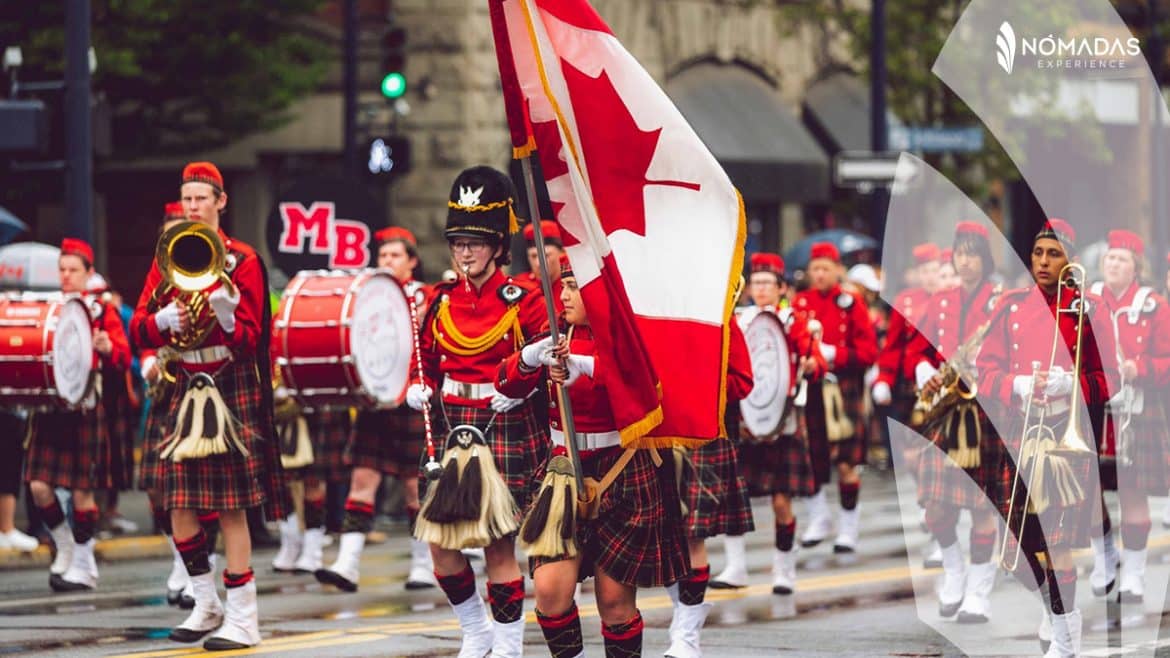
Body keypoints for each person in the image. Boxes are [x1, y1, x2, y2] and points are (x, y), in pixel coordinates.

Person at [498, 253, 688, 658]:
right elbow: (506, 386)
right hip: (563, 471)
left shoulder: (626, 337)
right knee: (549, 592)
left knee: (615, 602)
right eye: (563, 286)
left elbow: (644, 389)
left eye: (573, 287)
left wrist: (584, 365)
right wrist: (532, 358)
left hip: (619, 471)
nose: (563, 295)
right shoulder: (555, 333)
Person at [130, 162, 286, 650]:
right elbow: (136, 325)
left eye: (201, 198)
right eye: (187, 198)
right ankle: (205, 602)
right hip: (182, 381)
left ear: (221, 202)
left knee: (231, 507)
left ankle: (244, 618)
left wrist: (226, 315)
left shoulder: (243, 261)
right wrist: (160, 322)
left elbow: (254, 339)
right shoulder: (167, 256)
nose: (193, 206)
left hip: (226, 381)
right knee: (176, 503)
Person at [406, 166, 550, 657]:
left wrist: (523, 383)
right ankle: (475, 631)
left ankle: (508, 645)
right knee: (441, 548)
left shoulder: (524, 300)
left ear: (497, 247)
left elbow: (548, 355)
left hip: (502, 421)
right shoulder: (439, 299)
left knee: (497, 547)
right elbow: (423, 357)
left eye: (476, 242)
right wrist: (417, 386)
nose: (465, 252)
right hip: (451, 424)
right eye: (458, 242)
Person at [976, 218, 1116, 657]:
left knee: (1057, 544)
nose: (1042, 262)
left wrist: (1070, 384)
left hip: (1065, 437)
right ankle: (1059, 614)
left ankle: (1064, 639)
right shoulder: (1012, 306)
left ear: (1069, 261)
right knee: (1016, 545)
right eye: (1038, 253)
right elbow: (984, 371)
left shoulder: (1088, 309)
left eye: (1053, 255)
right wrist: (1015, 385)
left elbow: (1110, 378)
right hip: (1022, 430)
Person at [316, 226, 438, 591]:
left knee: (414, 489)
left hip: (413, 399)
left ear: (412, 262)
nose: (387, 262)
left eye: (395, 256)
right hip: (377, 401)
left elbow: (435, 347)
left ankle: (423, 564)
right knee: (362, 480)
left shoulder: (428, 297)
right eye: (383, 256)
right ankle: (348, 564)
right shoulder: (368, 296)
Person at [907, 222, 1005, 623]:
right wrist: (923, 368)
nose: (965, 261)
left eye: (972, 253)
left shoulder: (1001, 300)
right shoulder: (942, 300)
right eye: (959, 253)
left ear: (985, 257)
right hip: (945, 412)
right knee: (935, 508)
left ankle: (979, 592)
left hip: (985, 413)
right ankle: (954, 571)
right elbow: (918, 344)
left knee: (982, 509)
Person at [24, 238, 130, 591]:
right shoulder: (51, 309)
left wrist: (109, 347)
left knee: (83, 492)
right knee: (39, 486)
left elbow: (122, 356)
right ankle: (65, 545)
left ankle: (84, 564)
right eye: (62, 270)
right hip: (51, 408)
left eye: (73, 270)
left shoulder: (102, 311)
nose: (66, 276)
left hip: (86, 407)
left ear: (88, 273)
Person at [138, 202, 222, 609]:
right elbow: (138, 329)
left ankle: (202, 568)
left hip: (207, 387)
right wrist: (153, 345)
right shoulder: (157, 279)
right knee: (164, 490)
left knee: (204, 491)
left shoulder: (212, 268)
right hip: (168, 389)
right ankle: (181, 558)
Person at [734, 253, 827, 597]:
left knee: (781, 501)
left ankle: (784, 567)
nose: (760, 289)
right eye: (755, 283)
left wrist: (809, 366)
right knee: (736, 500)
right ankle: (736, 566)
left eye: (766, 284)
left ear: (781, 288)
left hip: (783, 420)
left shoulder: (794, 321)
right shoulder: (740, 320)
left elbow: (816, 360)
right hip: (747, 420)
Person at [1087, 230, 1170, 604]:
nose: (1113, 263)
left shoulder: (1153, 305)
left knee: (1134, 492)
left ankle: (1134, 574)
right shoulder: (1086, 302)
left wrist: (1141, 367)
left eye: (1121, 257)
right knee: (1088, 492)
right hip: (1094, 409)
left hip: (1138, 412)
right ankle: (1105, 555)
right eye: (1109, 257)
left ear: (1136, 265)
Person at [794, 243, 878, 553]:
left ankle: (848, 527)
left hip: (845, 390)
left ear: (837, 270)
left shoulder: (851, 303)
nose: (819, 274)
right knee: (811, 460)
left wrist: (834, 354)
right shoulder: (801, 302)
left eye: (825, 268)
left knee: (846, 463)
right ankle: (819, 518)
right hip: (812, 389)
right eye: (815, 268)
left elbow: (869, 352)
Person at [523, 220, 566, 313]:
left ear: (563, 253)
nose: (538, 263)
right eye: (533, 256)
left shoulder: (573, 286)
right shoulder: (523, 287)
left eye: (546, 256)